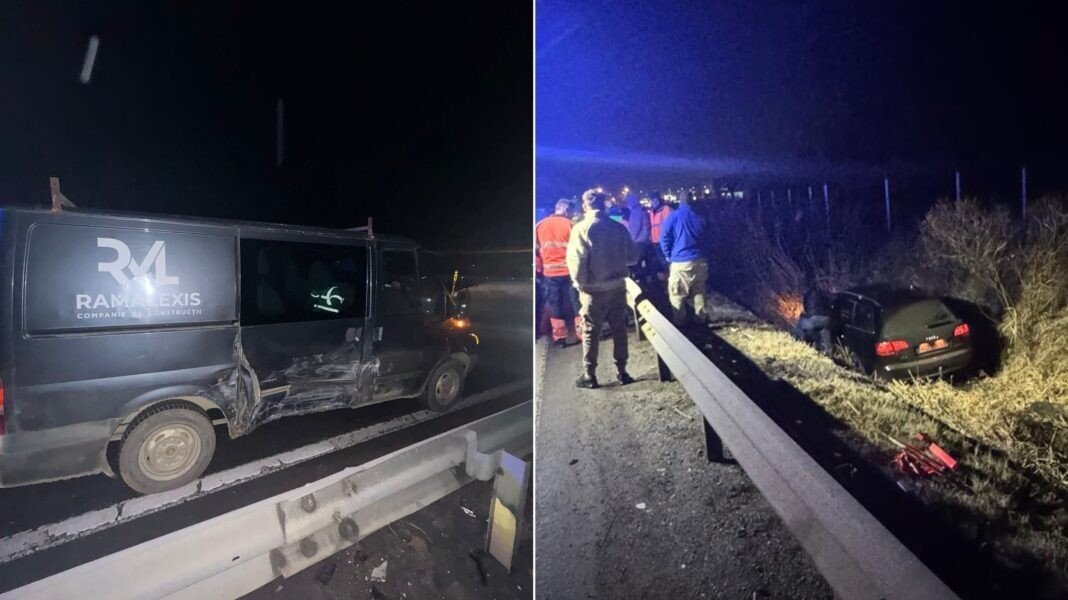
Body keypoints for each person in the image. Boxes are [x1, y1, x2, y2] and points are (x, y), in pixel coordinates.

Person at [566, 189, 639, 388]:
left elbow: (577, 262)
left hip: (593, 291)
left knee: (590, 332)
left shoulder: (581, 229)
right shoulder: (618, 228)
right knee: (619, 329)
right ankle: (622, 372)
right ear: (604, 204)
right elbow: (632, 257)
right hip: (617, 287)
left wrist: (579, 283)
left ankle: (589, 375)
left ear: (585, 206)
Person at [535, 199, 582, 347]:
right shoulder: (571, 225)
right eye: (571, 211)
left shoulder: (540, 225)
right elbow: (579, 250)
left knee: (555, 305)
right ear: (566, 209)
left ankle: (560, 339)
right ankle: (583, 333)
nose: (572, 214)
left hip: (550, 273)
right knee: (577, 302)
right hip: (570, 271)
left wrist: (539, 270)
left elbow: (536, 252)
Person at [659, 191, 709, 326]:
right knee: (699, 291)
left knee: (677, 294)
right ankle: (701, 320)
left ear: (680, 201)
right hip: (700, 260)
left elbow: (664, 237)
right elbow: (706, 237)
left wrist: (668, 254)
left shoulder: (673, 216)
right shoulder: (700, 216)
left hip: (680, 262)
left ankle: (680, 324)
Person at [792, 287, 833, 354]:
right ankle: (827, 350)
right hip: (825, 319)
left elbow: (807, 308)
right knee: (824, 330)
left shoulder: (810, 295)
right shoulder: (824, 294)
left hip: (815, 319)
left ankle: (799, 343)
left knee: (802, 324)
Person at [626, 193, 652, 282]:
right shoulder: (640, 210)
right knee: (643, 264)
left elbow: (634, 230)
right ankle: (646, 280)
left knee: (635, 264)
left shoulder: (635, 212)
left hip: (639, 242)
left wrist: (632, 242)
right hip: (644, 241)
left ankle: (640, 282)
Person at [648, 192, 673, 281]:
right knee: (661, 260)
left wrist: (665, 237)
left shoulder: (665, 209)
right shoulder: (651, 211)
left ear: (659, 200)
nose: (654, 202)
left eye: (655, 200)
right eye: (652, 201)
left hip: (663, 240)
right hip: (655, 240)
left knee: (666, 260)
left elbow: (667, 225)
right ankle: (666, 278)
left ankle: (671, 277)